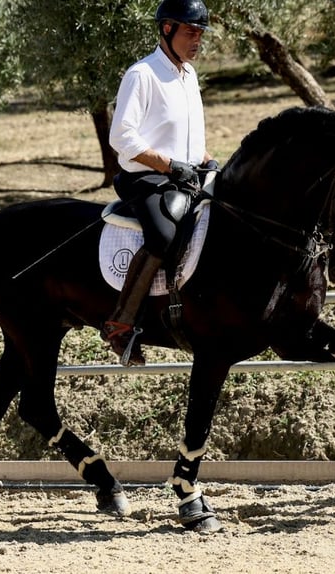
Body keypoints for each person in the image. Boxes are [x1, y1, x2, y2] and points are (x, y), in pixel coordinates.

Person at [103, 0, 217, 367]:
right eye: (190, 32)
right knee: (163, 236)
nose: (197, 40)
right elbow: (122, 138)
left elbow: (186, 136)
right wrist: (169, 166)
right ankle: (120, 325)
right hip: (146, 177)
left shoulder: (189, 74)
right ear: (167, 29)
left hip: (185, 175)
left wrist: (205, 160)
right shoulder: (143, 74)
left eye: (200, 33)